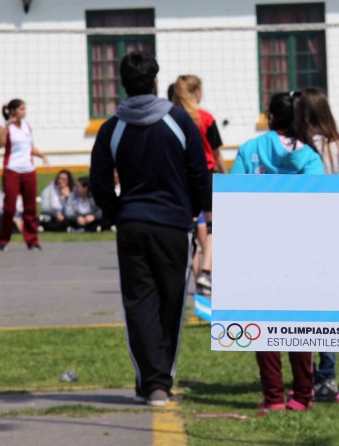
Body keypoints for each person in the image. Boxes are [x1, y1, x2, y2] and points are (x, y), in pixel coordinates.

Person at [89, 52, 208, 408]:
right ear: (156, 81)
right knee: (170, 303)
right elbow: (199, 173)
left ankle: (152, 383)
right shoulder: (180, 121)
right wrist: (196, 211)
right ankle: (160, 383)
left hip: (133, 225)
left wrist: (116, 211)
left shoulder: (113, 127)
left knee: (139, 302)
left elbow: (98, 182)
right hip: (173, 225)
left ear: (123, 85)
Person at [231, 92, 323, 413]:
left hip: (259, 247)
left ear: (270, 117)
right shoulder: (310, 157)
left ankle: (273, 397)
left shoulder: (250, 149)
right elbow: (319, 205)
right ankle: (302, 396)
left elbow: (234, 201)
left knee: (263, 322)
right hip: (300, 249)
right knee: (300, 324)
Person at [293, 87, 339, 400]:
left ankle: (313, 374)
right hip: (336, 235)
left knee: (305, 308)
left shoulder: (298, 147)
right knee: (328, 309)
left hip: (307, 236)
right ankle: (327, 374)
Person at [170, 75, 225, 297]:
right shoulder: (205, 118)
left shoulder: (173, 118)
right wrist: (226, 174)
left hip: (182, 177)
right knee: (213, 227)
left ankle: (192, 275)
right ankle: (206, 270)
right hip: (206, 174)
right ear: (195, 92)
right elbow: (216, 152)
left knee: (190, 228)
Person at [0, 99, 48, 251]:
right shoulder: (6, 127)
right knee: (10, 207)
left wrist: (42, 156)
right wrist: (5, 127)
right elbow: (0, 145)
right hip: (12, 169)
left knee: (30, 207)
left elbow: (29, 147)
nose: (23, 112)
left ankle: (32, 240)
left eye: (24, 109)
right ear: (12, 111)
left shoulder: (27, 126)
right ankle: (4, 239)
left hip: (28, 169)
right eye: (21, 109)